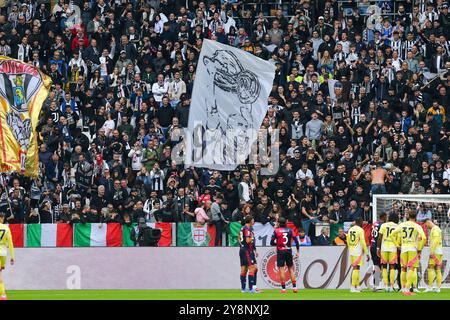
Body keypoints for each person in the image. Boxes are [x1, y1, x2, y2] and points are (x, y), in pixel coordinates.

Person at [389, 210, 427, 296]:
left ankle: (403, 288)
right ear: (416, 216)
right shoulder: (417, 226)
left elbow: (391, 234)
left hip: (403, 248)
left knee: (403, 268)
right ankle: (407, 289)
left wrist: (397, 245)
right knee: (411, 268)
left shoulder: (402, 224)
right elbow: (424, 238)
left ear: (408, 216)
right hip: (413, 248)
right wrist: (420, 249)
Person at [270, 217, 300, 294]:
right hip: (288, 250)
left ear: (279, 223)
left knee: (281, 269)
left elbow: (271, 242)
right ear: (286, 222)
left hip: (281, 251)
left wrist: (278, 244)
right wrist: (297, 251)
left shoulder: (276, 231)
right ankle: (295, 287)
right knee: (290, 269)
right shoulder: (290, 230)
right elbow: (296, 241)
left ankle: (283, 289)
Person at [376, 212, 399, 292]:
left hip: (384, 248)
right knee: (392, 267)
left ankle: (385, 286)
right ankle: (392, 286)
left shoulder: (384, 225)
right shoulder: (397, 226)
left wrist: (378, 248)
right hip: (393, 248)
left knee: (384, 267)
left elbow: (379, 238)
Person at [347, 217, 370, 293]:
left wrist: (351, 248)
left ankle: (357, 286)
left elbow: (348, 241)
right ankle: (353, 287)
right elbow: (363, 242)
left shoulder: (350, 229)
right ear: (360, 222)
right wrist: (367, 253)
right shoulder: (360, 230)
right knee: (356, 268)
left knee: (357, 268)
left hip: (351, 251)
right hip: (357, 252)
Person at [238, 215, 258, 293]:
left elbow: (239, 237)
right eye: (253, 220)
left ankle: (243, 289)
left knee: (244, 269)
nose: (253, 221)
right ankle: (251, 289)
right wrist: (252, 237)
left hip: (242, 250)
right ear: (250, 221)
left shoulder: (242, 228)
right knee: (252, 268)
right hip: (247, 250)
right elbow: (247, 240)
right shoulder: (248, 229)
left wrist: (241, 245)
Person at [423, 218, 443, 293]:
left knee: (430, 268)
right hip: (439, 251)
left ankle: (430, 287)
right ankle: (438, 288)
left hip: (435, 251)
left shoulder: (435, 229)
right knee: (437, 269)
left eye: (426, 225)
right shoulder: (437, 229)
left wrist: (431, 252)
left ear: (428, 222)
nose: (426, 227)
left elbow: (435, 240)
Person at [370, 211, 387, 290]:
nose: (386, 218)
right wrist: (379, 248)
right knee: (380, 265)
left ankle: (377, 284)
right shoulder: (382, 225)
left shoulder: (375, 223)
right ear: (383, 217)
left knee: (377, 265)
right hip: (378, 247)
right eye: (386, 217)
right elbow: (380, 237)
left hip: (372, 246)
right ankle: (377, 284)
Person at [0, 212, 14, 300]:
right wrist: (12, 257)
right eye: (3, 217)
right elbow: (10, 243)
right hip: (3, 254)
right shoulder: (6, 228)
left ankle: (3, 294)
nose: (3, 219)